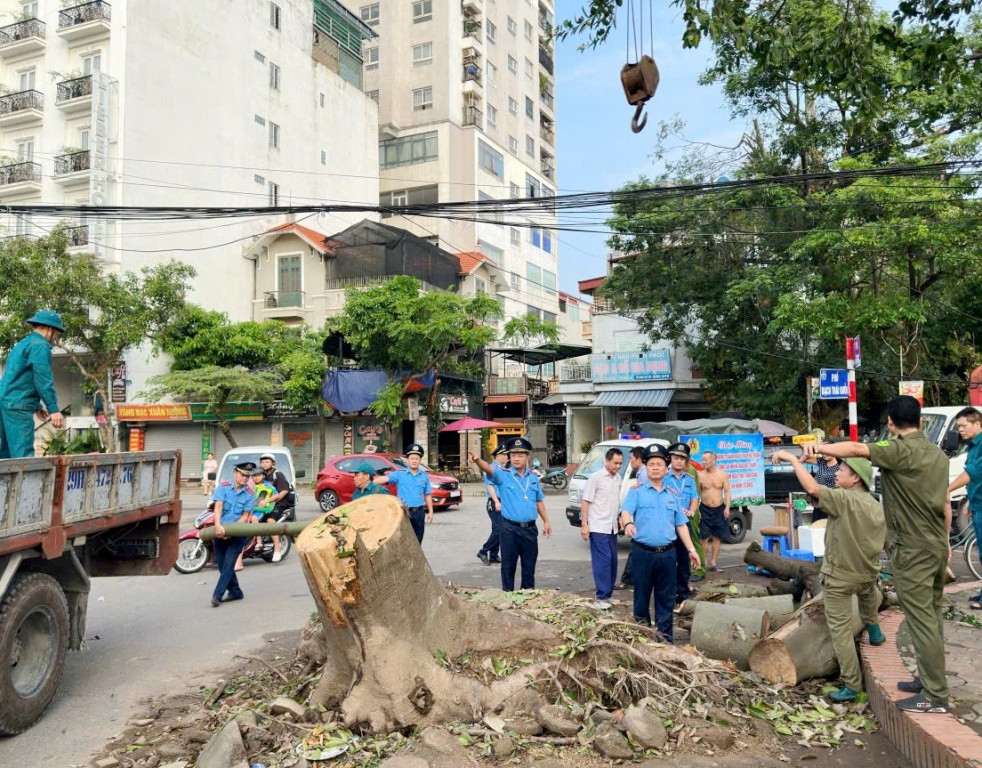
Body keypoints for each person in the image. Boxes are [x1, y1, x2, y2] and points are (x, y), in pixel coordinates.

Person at [803, 395, 949, 714]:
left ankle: (935, 695)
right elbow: (945, 503)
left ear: (891, 424)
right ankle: (928, 679)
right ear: (921, 421)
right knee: (932, 616)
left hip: (912, 550)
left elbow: (856, 449)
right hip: (936, 545)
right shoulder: (938, 455)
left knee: (922, 620)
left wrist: (820, 448)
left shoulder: (898, 449)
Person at [772, 449, 887, 703]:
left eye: (841, 471)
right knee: (868, 592)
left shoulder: (844, 499)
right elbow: (885, 541)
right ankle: (875, 631)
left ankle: (852, 685)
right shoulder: (875, 505)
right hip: (868, 572)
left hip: (840, 577)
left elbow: (813, 489)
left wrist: (792, 460)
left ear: (856, 478)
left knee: (841, 631)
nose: (836, 475)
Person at [618, 444, 701, 640]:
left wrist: (691, 550)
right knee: (641, 598)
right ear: (646, 468)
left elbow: (681, 525)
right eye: (651, 464)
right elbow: (626, 511)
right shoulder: (636, 492)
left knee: (666, 599)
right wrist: (628, 522)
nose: (655, 467)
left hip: (667, 554)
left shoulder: (673, 495)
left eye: (659, 464)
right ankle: (642, 638)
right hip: (643, 553)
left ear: (666, 468)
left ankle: (665, 640)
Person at [469, 437, 552, 591]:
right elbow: (489, 469)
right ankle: (508, 597)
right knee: (508, 566)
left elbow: (539, 501)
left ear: (527, 457)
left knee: (529, 567)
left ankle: (527, 597)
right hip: (510, 530)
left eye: (520, 455)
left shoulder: (533, 478)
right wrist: (478, 460)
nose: (516, 458)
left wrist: (546, 521)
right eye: (513, 455)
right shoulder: (503, 475)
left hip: (530, 530)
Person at [0, 310, 66, 458]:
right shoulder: (40, 346)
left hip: (6, 404)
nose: (56, 338)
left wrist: (37, 405)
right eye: (57, 334)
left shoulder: (22, 344)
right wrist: (53, 409)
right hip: (18, 407)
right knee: (23, 457)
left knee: (6, 455)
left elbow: (18, 378)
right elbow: (42, 379)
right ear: (50, 330)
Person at [946, 406, 982, 609]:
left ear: (977, 423)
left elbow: (973, 472)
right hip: (977, 503)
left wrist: (948, 489)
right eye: (958, 426)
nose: (960, 429)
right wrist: (969, 501)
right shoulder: (972, 446)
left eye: (963, 425)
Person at [210, 461, 257, 607]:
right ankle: (236, 592)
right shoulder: (223, 487)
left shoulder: (250, 494)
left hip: (237, 533)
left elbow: (245, 515)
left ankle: (217, 596)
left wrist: (232, 531)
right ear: (235, 473)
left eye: (247, 476)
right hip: (219, 531)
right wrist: (218, 526)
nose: (244, 478)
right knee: (222, 565)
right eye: (242, 474)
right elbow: (218, 507)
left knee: (229, 565)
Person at [581, 448, 624, 600]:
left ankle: (609, 593)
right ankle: (602, 596)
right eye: (615, 463)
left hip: (612, 527)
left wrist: (620, 518)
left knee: (612, 561)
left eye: (620, 463)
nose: (617, 466)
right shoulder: (596, 477)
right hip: (598, 526)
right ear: (606, 461)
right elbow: (585, 501)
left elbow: (616, 501)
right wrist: (584, 525)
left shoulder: (618, 478)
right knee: (603, 561)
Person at [666, 442, 702, 601]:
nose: (679, 461)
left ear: (686, 461)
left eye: (682, 458)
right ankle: (668, 592)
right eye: (676, 458)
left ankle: (682, 592)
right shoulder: (663, 477)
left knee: (684, 559)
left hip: (684, 524)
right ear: (670, 459)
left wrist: (692, 510)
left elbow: (694, 498)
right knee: (667, 560)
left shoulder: (689, 479)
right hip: (667, 524)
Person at [614, 445, 648, 589]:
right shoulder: (641, 473)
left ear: (639, 459)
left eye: (632, 458)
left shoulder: (644, 474)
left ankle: (628, 579)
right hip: (640, 518)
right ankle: (632, 578)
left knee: (636, 549)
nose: (631, 462)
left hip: (643, 519)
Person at [387, 443, 434, 543]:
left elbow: (428, 494)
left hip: (419, 513)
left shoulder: (424, 476)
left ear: (420, 461)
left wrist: (430, 511)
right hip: (404, 513)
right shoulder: (399, 474)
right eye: (412, 458)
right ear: (407, 460)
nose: (414, 461)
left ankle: (416, 558)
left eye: (417, 459)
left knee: (418, 539)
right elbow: (385, 479)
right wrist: (369, 481)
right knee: (403, 540)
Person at [697, 450, 730, 571]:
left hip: (719, 509)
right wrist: (697, 510)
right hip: (704, 508)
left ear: (713, 460)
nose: (703, 462)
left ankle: (713, 563)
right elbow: (696, 494)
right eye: (703, 460)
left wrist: (727, 507)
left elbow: (727, 492)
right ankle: (703, 562)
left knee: (717, 537)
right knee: (704, 537)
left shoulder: (722, 474)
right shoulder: (700, 475)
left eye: (706, 460)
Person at [477, 445, 508, 565]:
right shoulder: (493, 468)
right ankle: (483, 551)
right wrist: (496, 501)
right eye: (503, 454)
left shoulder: (502, 468)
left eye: (506, 454)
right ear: (497, 456)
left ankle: (494, 555)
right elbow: (490, 485)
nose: (506, 457)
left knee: (498, 529)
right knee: (499, 529)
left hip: (501, 502)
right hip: (495, 502)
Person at [259, 453, 291, 563]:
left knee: (270, 520)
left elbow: (284, 491)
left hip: (278, 504)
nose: (264, 464)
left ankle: (277, 549)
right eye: (262, 462)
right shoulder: (259, 475)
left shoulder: (278, 475)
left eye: (267, 462)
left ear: (273, 463)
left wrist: (273, 501)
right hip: (262, 504)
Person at [804, 452, 839, 522]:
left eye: (827, 452)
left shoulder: (840, 465)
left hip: (831, 503)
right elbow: (806, 458)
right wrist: (814, 448)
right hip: (818, 503)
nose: (824, 454)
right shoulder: (822, 462)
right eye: (822, 452)